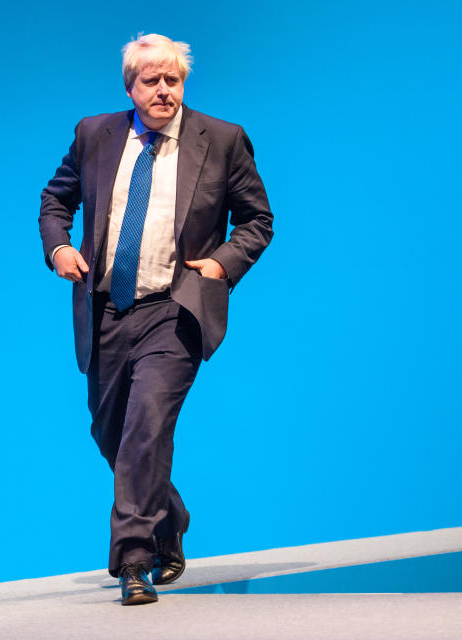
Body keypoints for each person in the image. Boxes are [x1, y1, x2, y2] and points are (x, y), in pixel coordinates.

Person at [38, 33, 273, 605]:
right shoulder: (95, 134)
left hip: (175, 308)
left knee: (146, 428)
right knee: (112, 435)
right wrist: (58, 249)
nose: (165, 89)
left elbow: (257, 221)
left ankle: (134, 562)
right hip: (108, 311)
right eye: (153, 80)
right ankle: (170, 519)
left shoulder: (220, 139)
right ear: (131, 87)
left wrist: (220, 264)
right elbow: (55, 199)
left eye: (174, 79)